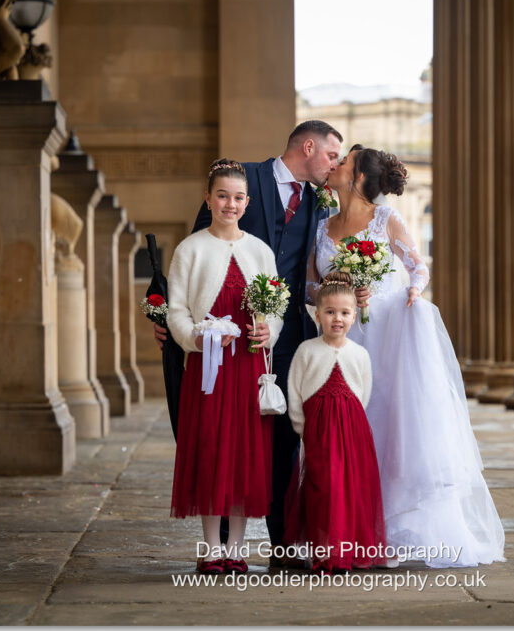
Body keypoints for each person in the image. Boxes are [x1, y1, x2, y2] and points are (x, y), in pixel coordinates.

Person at [306, 145, 506, 568]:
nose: (336, 165)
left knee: (390, 421)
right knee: (350, 423)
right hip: (344, 335)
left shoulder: (385, 219)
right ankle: (355, 527)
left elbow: (418, 266)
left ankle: (392, 531)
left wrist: (414, 290)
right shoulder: (323, 227)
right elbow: (310, 286)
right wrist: (334, 291)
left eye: (344, 162)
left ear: (359, 178)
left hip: (389, 330)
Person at [154, 121, 343, 561]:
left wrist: (341, 296)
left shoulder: (318, 200)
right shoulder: (242, 179)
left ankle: (281, 543)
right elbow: (189, 266)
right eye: (331, 155)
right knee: (217, 440)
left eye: (236, 200)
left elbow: (305, 273)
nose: (333, 166)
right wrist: (167, 317)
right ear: (309, 147)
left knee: (279, 440)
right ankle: (215, 545)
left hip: (282, 336)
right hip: (213, 346)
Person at [166, 159, 282, 575]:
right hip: (208, 369)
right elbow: (177, 310)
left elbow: (277, 306)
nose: (229, 204)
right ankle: (210, 547)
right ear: (208, 197)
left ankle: (237, 546)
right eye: (221, 196)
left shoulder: (260, 251)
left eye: (237, 197)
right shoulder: (189, 249)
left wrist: (270, 330)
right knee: (212, 448)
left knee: (245, 451)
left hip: (249, 367)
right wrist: (194, 338)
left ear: (247, 202)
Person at [283, 271, 386, 574]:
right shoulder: (306, 351)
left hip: (353, 433)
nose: (336, 319)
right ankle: (323, 551)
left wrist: (349, 422)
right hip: (318, 432)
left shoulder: (360, 354)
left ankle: (346, 551)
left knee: (350, 488)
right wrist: (302, 428)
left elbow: (363, 394)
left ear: (354, 316)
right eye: (330, 312)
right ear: (317, 315)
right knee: (323, 488)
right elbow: (295, 390)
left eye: (344, 312)